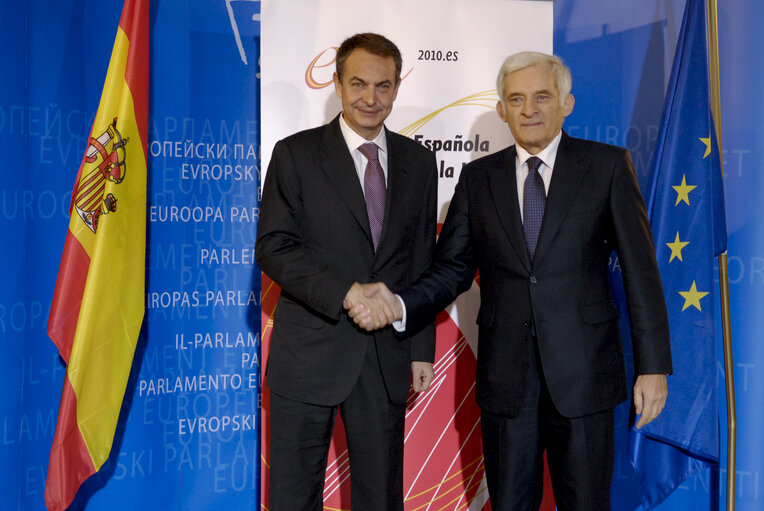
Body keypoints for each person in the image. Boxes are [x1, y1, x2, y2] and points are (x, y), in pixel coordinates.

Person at [348, 51, 672, 510]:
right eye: (516, 99)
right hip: (507, 381)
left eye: (542, 96)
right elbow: (451, 269)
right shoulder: (479, 178)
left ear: (566, 103)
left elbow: (641, 272)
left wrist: (653, 366)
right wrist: (400, 304)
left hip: (584, 378)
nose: (529, 109)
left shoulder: (607, 167)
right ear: (502, 110)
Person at [255, 33, 438, 511]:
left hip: (385, 357)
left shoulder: (419, 162)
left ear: (397, 88)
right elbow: (273, 247)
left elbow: (422, 259)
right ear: (336, 84)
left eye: (383, 86)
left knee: (380, 497)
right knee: (294, 496)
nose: (370, 98)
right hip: (309, 354)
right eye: (358, 83)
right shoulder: (294, 153)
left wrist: (420, 347)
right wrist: (345, 292)